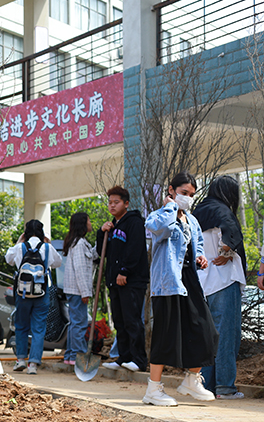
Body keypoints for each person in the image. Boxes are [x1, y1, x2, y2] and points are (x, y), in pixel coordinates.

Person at [144, 172, 218, 406]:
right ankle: (153, 389)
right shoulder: (159, 215)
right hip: (167, 281)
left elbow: (198, 245)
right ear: (171, 190)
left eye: (191, 195)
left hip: (189, 280)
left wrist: (200, 257)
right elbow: (160, 229)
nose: (188, 198)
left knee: (206, 331)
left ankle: (191, 380)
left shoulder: (192, 220)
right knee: (165, 334)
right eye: (184, 193)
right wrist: (170, 207)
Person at [194, 176, 246, 400]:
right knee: (227, 335)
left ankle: (206, 386)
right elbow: (231, 233)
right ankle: (225, 387)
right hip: (224, 280)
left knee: (208, 336)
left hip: (203, 281)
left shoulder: (198, 211)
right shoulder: (222, 210)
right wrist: (227, 251)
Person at [97, 186, 149, 373]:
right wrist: (101, 232)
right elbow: (101, 252)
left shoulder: (134, 223)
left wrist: (125, 271)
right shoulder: (112, 227)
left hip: (131, 281)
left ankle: (139, 360)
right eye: (110, 202)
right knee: (119, 322)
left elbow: (135, 249)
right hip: (115, 282)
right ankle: (124, 357)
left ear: (126, 204)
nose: (112, 205)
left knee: (132, 320)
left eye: (116, 202)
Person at [5, 219, 62, 375]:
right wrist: (48, 243)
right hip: (41, 293)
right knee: (39, 328)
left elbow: (8, 259)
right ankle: (33, 364)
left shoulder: (20, 247)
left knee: (21, 326)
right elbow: (58, 263)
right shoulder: (47, 248)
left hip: (22, 294)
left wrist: (19, 241)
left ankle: (20, 360)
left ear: (26, 233)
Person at [62, 212, 97, 366]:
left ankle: (70, 356)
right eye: (89, 220)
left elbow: (92, 256)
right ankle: (80, 356)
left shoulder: (77, 243)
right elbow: (80, 270)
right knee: (80, 324)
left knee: (74, 323)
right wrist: (85, 293)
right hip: (77, 290)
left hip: (73, 290)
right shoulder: (79, 244)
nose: (90, 223)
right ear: (83, 224)